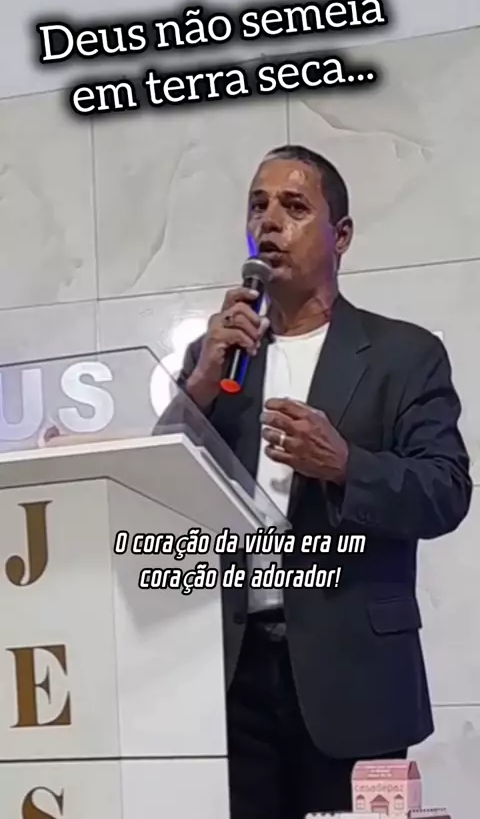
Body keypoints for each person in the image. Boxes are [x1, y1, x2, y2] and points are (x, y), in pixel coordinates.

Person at [159, 144, 472, 819]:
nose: (269, 222)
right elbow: (155, 488)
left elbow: (445, 491)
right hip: (231, 675)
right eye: (257, 206)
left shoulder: (404, 355)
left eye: (294, 206)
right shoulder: (218, 358)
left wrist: (346, 464)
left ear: (342, 235)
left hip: (353, 674)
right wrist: (198, 388)